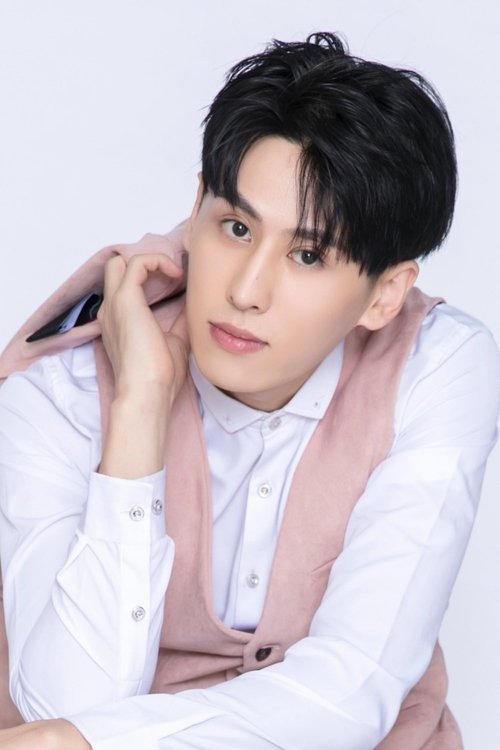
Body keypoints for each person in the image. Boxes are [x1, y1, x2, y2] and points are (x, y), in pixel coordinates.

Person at [0, 31, 498, 750]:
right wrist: (139, 410)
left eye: (308, 254)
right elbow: (62, 708)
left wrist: (88, 741)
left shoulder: (438, 365)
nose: (245, 290)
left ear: (385, 294)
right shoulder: (62, 386)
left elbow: (355, 684)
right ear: (197, 205)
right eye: (235, 227)